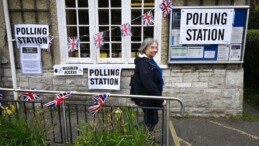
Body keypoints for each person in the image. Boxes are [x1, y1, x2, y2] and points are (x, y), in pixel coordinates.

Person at [130, 38, 166, 131]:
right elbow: (149, 83)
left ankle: (143, 138)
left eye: (156, 47)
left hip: (150, 97)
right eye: (152, 47)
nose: (155, 49)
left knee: (151, 120)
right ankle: (135, 135)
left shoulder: (149, 60)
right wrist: (160, 100)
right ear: (145, 48)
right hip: (147, 98)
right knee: (151, 120)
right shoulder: (143, 63)